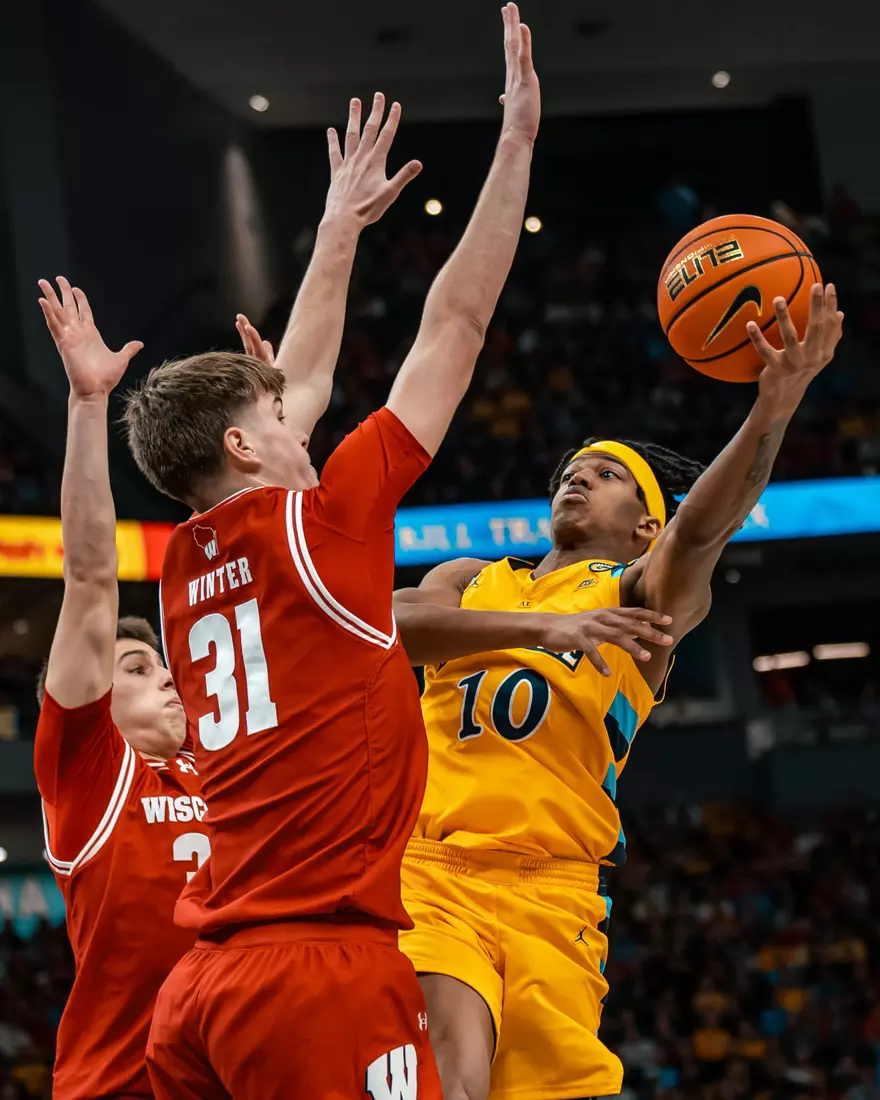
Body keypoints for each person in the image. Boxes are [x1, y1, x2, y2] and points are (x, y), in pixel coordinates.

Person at [122, 8, 541, 1096]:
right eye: (280, 420)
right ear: (241, 445)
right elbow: (453, 326)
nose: (301, 417)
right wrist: (516, 147)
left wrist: (339, 225)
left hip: (200, 986)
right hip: (317, 969)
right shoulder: (325, 524)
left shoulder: (184, 557)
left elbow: (287, 389)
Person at [392, 284, 844, 1100]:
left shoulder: (642, 593)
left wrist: (771, 411)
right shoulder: (471, 578)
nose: (577, 479)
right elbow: (389, 628)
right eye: (571, 471)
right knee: (446, 1083)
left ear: (645, 524)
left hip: (556, 889)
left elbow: (706, 526)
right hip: (435, 870)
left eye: (606, 476)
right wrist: (537, 633)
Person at [32, 278, 208, 1100]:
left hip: (239, 1072)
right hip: (121, 1084)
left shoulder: (221, 764)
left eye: (165, 667)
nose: (167, 679)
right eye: (137, 670)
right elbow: (93, 579)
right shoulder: (90, 769)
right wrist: (86, 404)